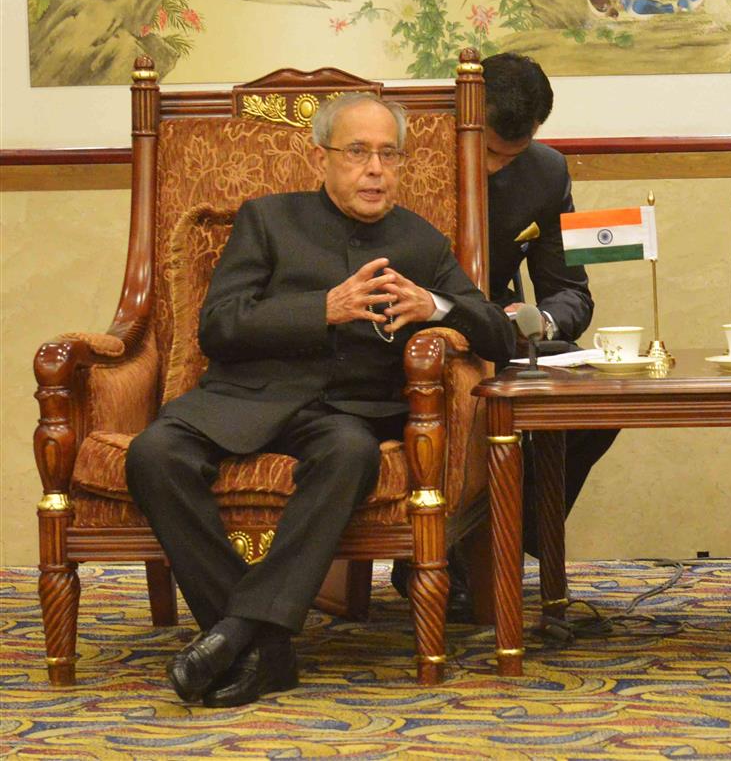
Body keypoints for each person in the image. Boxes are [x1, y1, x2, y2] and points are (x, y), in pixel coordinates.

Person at [126, 93, 516, 706]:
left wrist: (435, 306)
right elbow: (218, 326)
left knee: (350, 454)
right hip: (246, 398)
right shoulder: (267, 220)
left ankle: (235, 635)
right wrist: (321, 309)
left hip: (345, 417)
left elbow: (500, 333)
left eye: (390, 155)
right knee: (153, 454)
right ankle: (263, 644)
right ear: (324, 158)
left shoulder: (421, 242)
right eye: (358, 152)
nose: (375, 170)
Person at [481, 52, 620, 558]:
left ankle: (504, 545)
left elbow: (572, 291)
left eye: (512, 156)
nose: (498, 168)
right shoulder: (412, 158)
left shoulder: (547, 170)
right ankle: (473, 556)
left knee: (601, 400)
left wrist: (539, 320)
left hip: (508, 337)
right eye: (491, 153)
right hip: (424, 334)